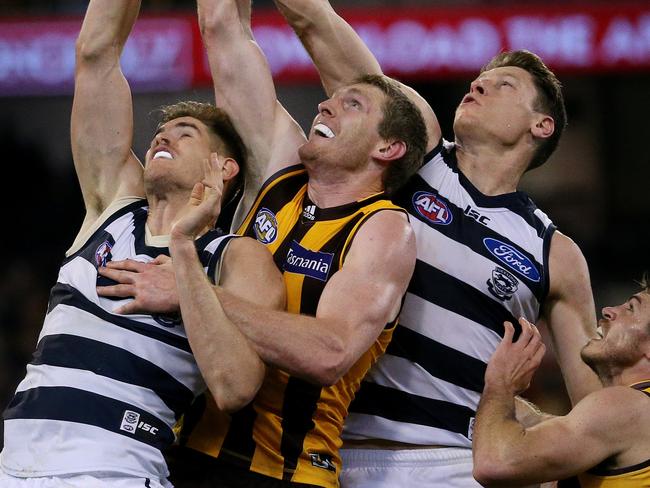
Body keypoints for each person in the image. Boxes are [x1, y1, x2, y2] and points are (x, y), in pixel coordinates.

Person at [253, 1, 603, 486]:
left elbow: (595, 409)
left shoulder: (553, 251)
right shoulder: (415, 153)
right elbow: (316, 22)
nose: (478, 84)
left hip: (452, 463)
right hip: (330, 450)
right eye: (480, 78)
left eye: (504, 85)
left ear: (540, 126)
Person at [97, 0, 428, 486]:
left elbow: (329, 353)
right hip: (186, 449)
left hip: (285, 470)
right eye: (332, 99)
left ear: (387, 148)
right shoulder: (279, 178)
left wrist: (194, 293)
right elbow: (222, 26)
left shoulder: (384, 228)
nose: (325, 104)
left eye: (351, 104)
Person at [0, 0, 285, 486]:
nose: (160, 138)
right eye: (159, 133)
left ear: (224, 167)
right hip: (15, 459)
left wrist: (181, 249)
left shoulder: (234, 256)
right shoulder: (111, 206)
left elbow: (235, 387)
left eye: (184, 133)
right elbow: (95, 54)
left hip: (117, 466)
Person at [473, 281, 650, 487]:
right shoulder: (630, 416)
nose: (609, 310)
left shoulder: (627, 406)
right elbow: (559, 429)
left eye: (630, 308)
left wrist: (500, 385)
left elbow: (493, 464)